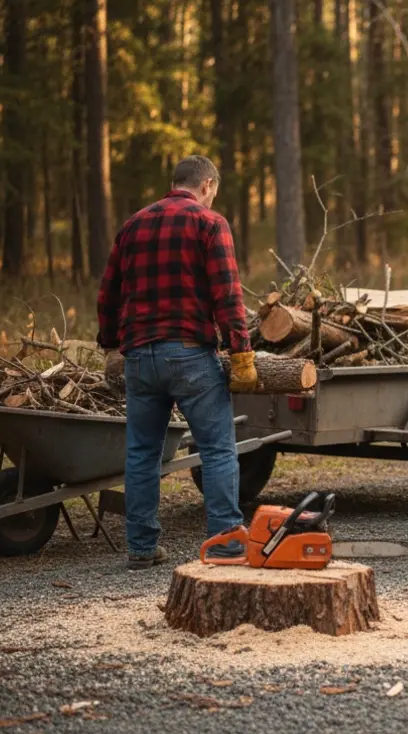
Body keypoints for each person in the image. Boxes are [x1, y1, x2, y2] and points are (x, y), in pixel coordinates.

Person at [96, 155, 258, 570]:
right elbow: (227, 293)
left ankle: (141, 548)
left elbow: (108, 293)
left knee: (142, 454)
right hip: (189, 354)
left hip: (139, 358)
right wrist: (240, 351)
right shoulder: (209, 223)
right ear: (206, 185)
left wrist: (112, 344)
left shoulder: (133, 225)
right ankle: (223, 542)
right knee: (219, 450)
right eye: (213, 193)